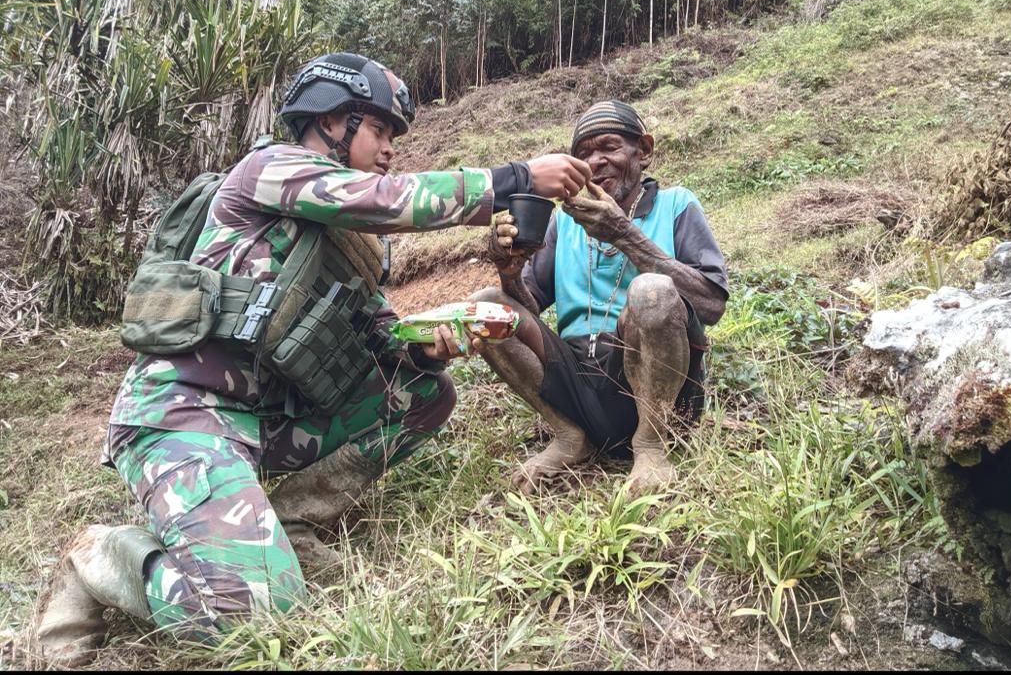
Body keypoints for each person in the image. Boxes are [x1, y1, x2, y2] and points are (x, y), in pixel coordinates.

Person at [31, 52, 592, 666]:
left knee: (424, 394)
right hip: (182, 413)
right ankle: (101, 559)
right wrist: (512, 179)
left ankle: (288, 524)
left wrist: (426, 348)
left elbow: (378, 330)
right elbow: (385, 199)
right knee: (254, 615)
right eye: (379, 129)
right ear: (330, 121)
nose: (389, 148)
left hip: (265, 422)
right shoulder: (271, 170)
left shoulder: (352, 239)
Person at [471, 100, 728, 495]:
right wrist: (508, 269)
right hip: (575, 379)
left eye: (609, 147)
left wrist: (624, 234)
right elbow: (526, 306)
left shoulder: (677, 205)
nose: (596, 162)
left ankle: (651, 445)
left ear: (643, 150)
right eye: (584, 154)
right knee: (487, 304)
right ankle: (570, 436)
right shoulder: (563, 222)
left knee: (653, 292)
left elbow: (712, 304)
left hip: (652, 385)